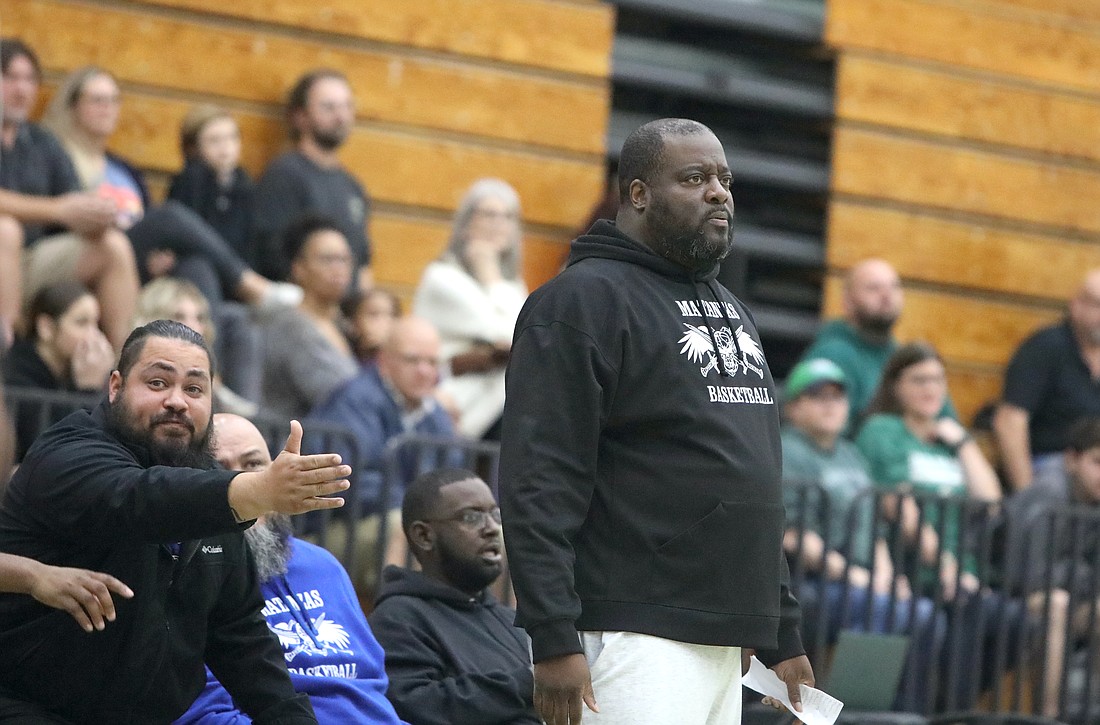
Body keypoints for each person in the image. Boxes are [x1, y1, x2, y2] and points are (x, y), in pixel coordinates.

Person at [499, 118, 813, 725]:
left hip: (726, 640)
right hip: (629, 630)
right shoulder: (579, 302)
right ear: (638, 194)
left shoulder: (732, 310)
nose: (718, 192)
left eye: (723, 178)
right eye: (694, 178)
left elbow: (754, 485)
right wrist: (554, 637)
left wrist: (783, 631)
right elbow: (539, 481)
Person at [0, 319, 353, 722]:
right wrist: (256, 490)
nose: (177, 401)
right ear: (115, 387)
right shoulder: (67, 454)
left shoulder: (208, 485)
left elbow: (241, 638)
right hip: (26, 705)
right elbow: (140, 498)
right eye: (157, 383)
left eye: (194, 389)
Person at [176, 413, 406, 725]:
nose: (247, 483)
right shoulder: (183, 578)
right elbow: (206, 716)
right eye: (219, 469)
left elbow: (373, 684)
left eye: (254, 465)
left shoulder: (323, 566)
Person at [41, 66, 299, 317]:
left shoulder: (124, 169)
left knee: (199, 270)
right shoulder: (56, 157)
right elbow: (57, 222)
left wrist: (157, 253)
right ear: (71, 105)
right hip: (89, 250)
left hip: (135, 257)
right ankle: (250, 284)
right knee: (169, 217)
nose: (107, 107)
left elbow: (146, 221)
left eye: (113, 100)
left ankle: (205, 357)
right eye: (97, 100)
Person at [855, 342, 1009, 709]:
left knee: (1014, 621)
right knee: (961, 613)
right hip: (913, 567)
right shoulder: (883, 429)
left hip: (959, 573)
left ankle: (952, 705)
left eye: (938, 380)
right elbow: (900, 508)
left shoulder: (946, 441)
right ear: (895, 386)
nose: (931, 389)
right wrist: (949, 569)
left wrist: (963, 442)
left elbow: (991, 502)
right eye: (919, 380)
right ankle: (932, 711)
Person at [780, 357, 940, 711]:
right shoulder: (787, 450)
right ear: (793, 407)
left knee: (925, 614)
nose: (830, 405)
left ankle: (902, 713)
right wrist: (859, 579)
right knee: (881, 610)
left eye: (837, 397)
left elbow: (875, 528)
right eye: (817, 396)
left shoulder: (851, 454)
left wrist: (884, 576)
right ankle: (850, 713)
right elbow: (791, 534)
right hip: (807, 582)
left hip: (858, 579)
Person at [369, 468, 539, 725]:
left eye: (495, 514)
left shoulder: (510, 621)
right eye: (471, 517)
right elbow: (416, 706)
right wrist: (531, 683)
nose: (492, 528)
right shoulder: (398, 618)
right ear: (424, 536)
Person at [0, 38, 139, 350]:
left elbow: (75, 201)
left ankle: (127, 367)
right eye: (9, 77)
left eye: (29, 79)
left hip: (32, 261)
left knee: (113, 245)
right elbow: (61, 207)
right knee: (5, 230)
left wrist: (96, 214)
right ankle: (5, 356)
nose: (21, 89)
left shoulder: (42, 141)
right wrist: (56, 210)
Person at [309, 316, 459, 591]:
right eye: (413, 360)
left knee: (490, 537)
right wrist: (419, 510)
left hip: (391, 519)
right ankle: (397, 627)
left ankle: (494, 633)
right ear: (385, 361)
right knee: (409, 530)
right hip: (332, 528)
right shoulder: (355, 400)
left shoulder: (435, 415)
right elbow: (347, 482)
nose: (425, 371)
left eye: (432, 362)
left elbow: (451, 481)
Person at [413, 178, 528, 440]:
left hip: (495, 413)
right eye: (488, 214)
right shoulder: (441, 277)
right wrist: (489, 272)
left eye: (507, 216)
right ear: (466, 223)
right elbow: (514, 335)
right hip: (450, 412)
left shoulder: (511, 284)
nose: (498, 223)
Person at [1005, 416, 1100, 718]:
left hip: (1069, 595)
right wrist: (1083, 575)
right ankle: (1049, 716)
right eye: (1097, 462)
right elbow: (1027, 575)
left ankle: (1089, 711)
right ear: (1072, 459)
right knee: (1056, 605)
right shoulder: (1049, 492)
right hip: (1010, 592)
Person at [799, 258, 955, 432]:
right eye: (873, 288)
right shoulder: (831, 354)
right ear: (847, 301)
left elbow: (948, 422)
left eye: (894, 287)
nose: (886, 295)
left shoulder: (906, 358)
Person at [252, 69, 372, 288]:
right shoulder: (284, 176)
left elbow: (363, 264)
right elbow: (274, 257)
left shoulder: (353, 187)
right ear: (300, 117)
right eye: (329, 107)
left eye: (347, 106)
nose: (341, 116)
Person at [994, 269, 1100, 493]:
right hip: (1054, 465)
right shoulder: (1045, 348)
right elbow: (1010, 421)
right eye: (1098, 305)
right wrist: (1026, 492)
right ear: (1076, 305)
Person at [261, 214, 359, 420]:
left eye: (344, 259)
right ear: (299, 268)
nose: (338, 268)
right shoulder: (291, 325)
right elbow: (334, 394)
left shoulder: (346, 326)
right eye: (327, 259)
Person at [2, 281, 114, 459]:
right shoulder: (16, 375)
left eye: (96, 324)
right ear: (46, 327)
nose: (95, 336)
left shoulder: (74, 371)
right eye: (81, 323)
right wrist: (87, 391)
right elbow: (48, 449)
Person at [133, 276, 262, 415]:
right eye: (179, 316)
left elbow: (246, 412)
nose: (195, 327)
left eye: (199, 318)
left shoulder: (211, 383)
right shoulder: (131, 368)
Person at [169, 105, 253, 261]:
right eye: (214, 140)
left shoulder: (246, 186)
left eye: (232, 137)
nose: (225, 147)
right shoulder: (188, 182)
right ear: (193, 147)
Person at [343, 287, 401, 366]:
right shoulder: (343, 352)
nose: (383, 322)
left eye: (391, 315)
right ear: (355, 321)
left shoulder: (401, 361)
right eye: (374, 314)